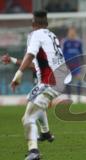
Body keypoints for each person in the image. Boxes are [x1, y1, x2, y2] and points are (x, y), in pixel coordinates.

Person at [10, 11, 69, 160]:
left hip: (51, 81)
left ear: (33, 24)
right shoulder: (51, 35)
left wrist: (19, 74)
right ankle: (45, 133)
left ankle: (34, 152)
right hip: (59, 78)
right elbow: (34, 61)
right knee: (32, 99)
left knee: (28, 118)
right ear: (47, 24)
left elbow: (29, 56)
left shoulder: (35, 35)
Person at [62, 26, 83, 100]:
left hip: (76, 63)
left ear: (75, 32)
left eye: (73, 32)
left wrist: (81, 62)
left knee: (79, 79)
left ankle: (79, 97)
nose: (72, 33)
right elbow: (62, 53)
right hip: (68, 63)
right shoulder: (65, 42)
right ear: (68, 33)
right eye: (70, 32)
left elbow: (81, 53)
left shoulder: (78, 42)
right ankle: (69, 96)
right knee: (68, 80)